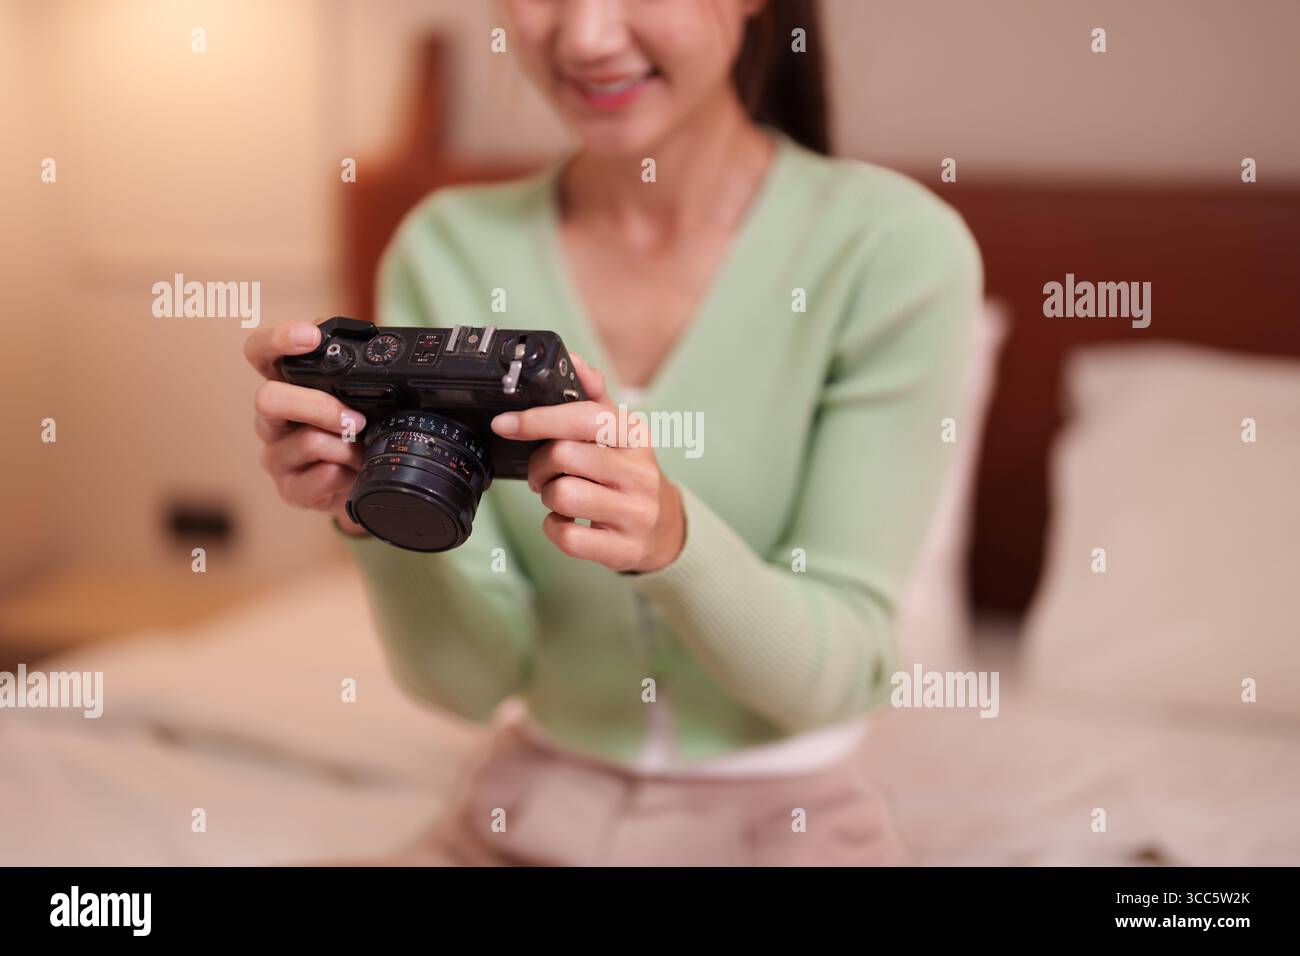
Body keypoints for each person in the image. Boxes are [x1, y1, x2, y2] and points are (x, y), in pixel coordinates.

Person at [244, 0, 981, 866]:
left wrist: (674, 542)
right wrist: (368, 512)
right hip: (524, 807)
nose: (586, 37)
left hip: (788, 824)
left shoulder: (892, 252)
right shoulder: (448, 247)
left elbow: (832, 680)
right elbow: (471, 686)